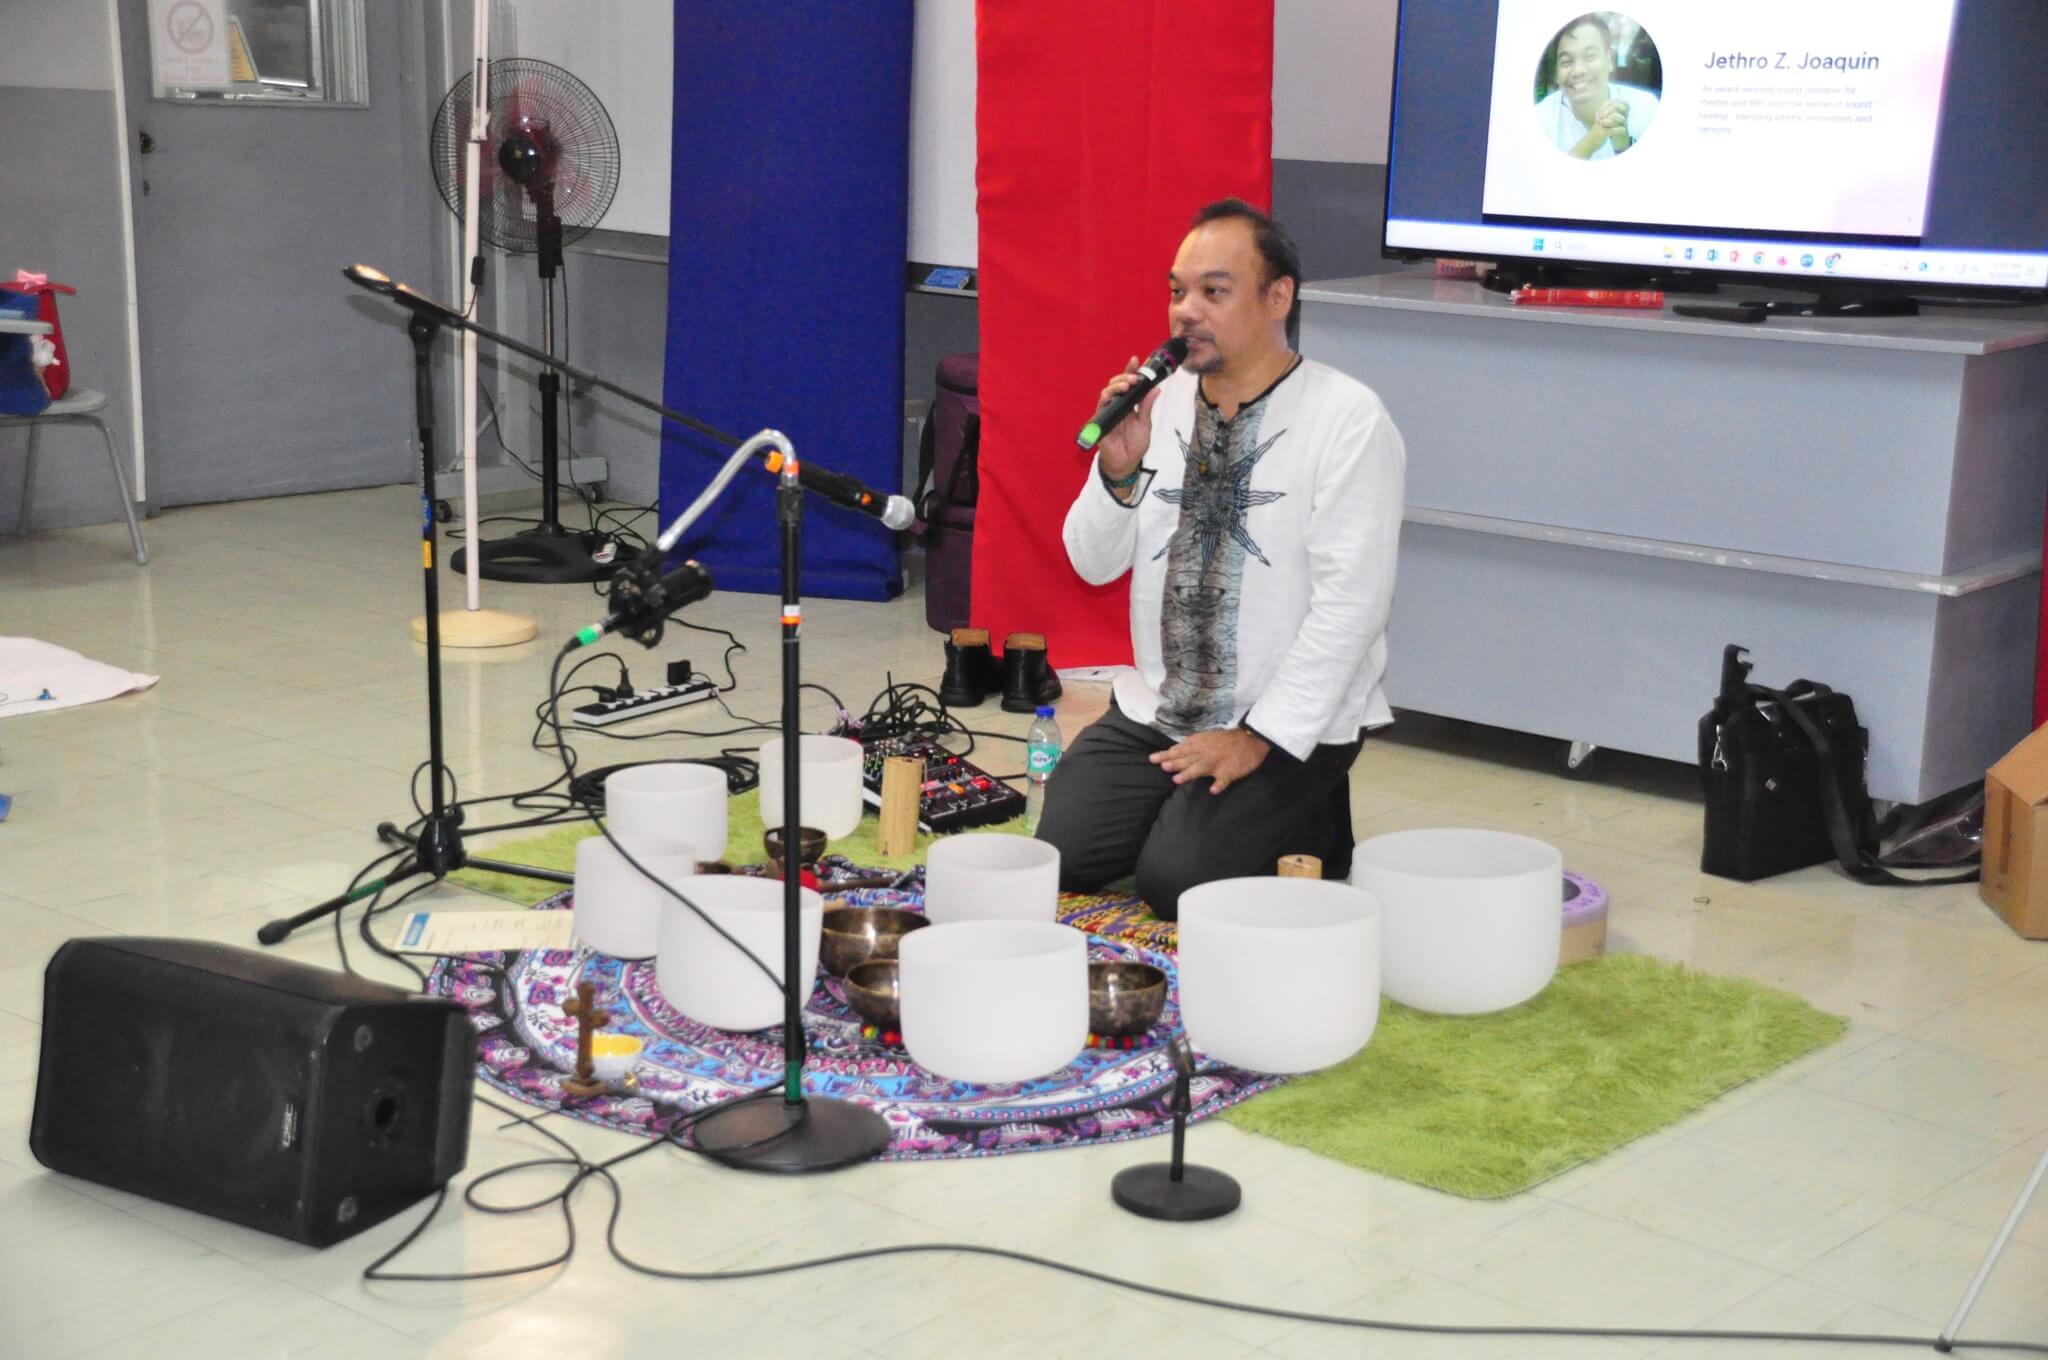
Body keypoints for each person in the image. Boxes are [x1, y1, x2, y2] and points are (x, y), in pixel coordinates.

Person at [1032, 199, 1406, 919]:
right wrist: (1117, 472)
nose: (1186, 312)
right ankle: (1197, 815)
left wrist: (1258, 738)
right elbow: (1091, 563)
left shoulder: (1348, 418)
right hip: (1161, 708)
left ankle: (1308, 814)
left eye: (1214, 291)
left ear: (1278, 297)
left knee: (1176, 884)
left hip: (1286, 721)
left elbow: (1353, 606)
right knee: (1063, 858)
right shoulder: (1158, 403)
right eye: (1177, 291)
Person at [1537, 15, 1659, 160]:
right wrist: (1592, 140)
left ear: (1609, 61)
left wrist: (1624, 147)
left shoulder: (1646, 108)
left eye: (1589, 56)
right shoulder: (1541, 120)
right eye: (1567, 61)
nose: (1578, 71)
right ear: (1557, 74)